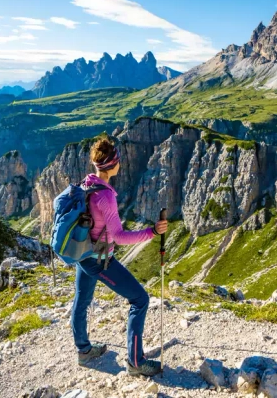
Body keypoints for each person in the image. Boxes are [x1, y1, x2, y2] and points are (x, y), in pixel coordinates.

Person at [71, 137, 167, 377]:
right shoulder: (106, 197)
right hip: (99, 258)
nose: (121, 163)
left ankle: (84, 351)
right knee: (140, 299)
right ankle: (136, 362)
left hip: (83, 252)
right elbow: (119, 236)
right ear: (111, 165)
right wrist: (152, 232)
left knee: (81, 301)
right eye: (117, 160)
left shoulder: (87, 183)